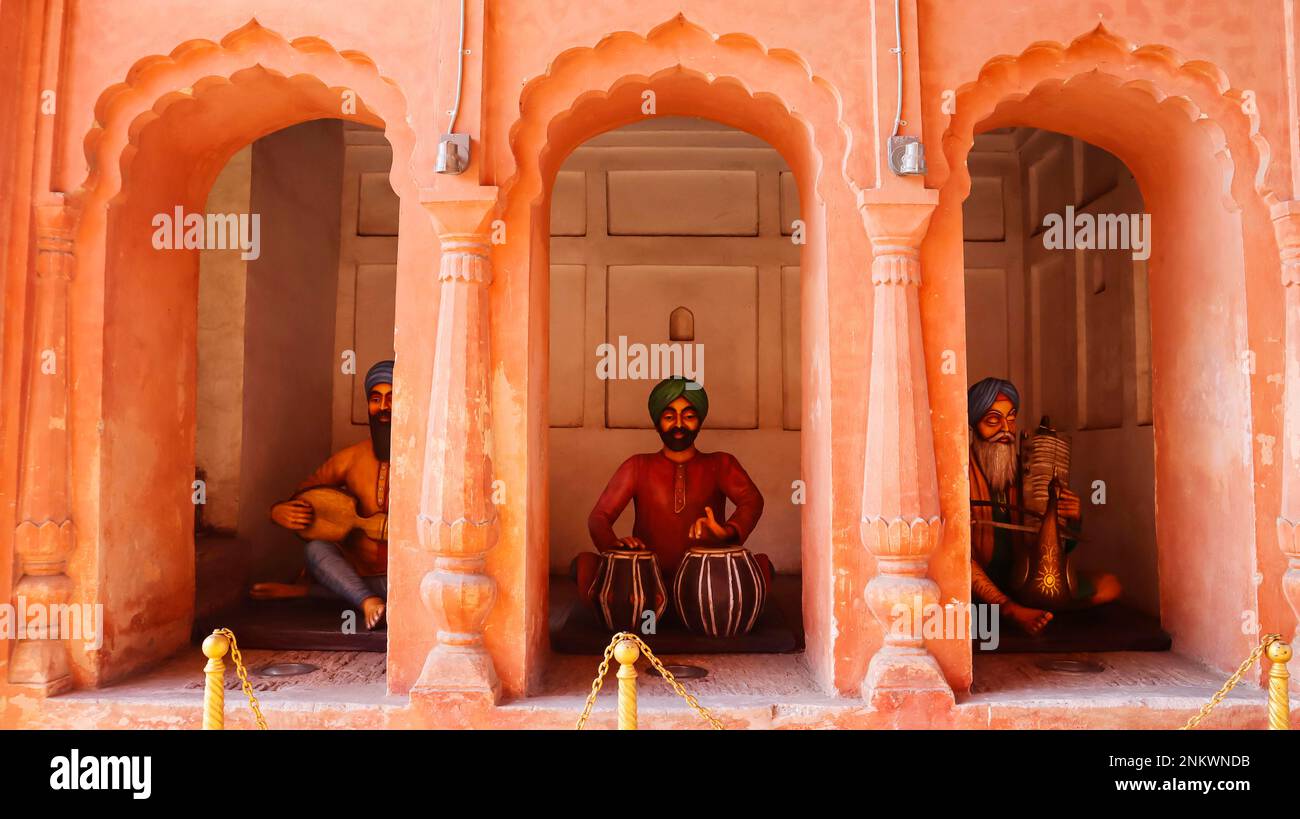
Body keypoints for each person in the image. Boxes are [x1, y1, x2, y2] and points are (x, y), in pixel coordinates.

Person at [579, 376, 769, 599]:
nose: (679, 424)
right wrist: (616, 548)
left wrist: (727, 532)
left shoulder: (720, 464)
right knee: (585, 565)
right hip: (648, 581)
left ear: (699, 419)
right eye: (669, 416)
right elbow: (599, 517)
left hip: (705, 582)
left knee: (760, 569)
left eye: (688, 416)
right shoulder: (638, 465)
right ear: (657, 421)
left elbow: (752, 501)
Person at [967, 377, 1121, 635]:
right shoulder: (959, 475)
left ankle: (1039, 610)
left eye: (1011, 418)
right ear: (975, 425)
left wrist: (1069, 518)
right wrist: (1004, 601)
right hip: (979, 585)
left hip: (1022, 578)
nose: (1006, 429)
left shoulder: (1028, 471)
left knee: (1109, 585)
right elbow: (959, 556)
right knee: (959, 566)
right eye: (993, 420)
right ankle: (1009, 610)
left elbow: (1055, 550)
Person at [250, 360, 394, 629]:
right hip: (357, 570)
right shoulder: (351, 457)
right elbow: (305, 496)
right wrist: (279, 511)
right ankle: (367, 600)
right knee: (317, 550)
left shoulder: (427, 456)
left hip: (402, 576)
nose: (383, 407)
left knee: (413, 584)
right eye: (376, 399)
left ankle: (312, 593)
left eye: (392, 398)